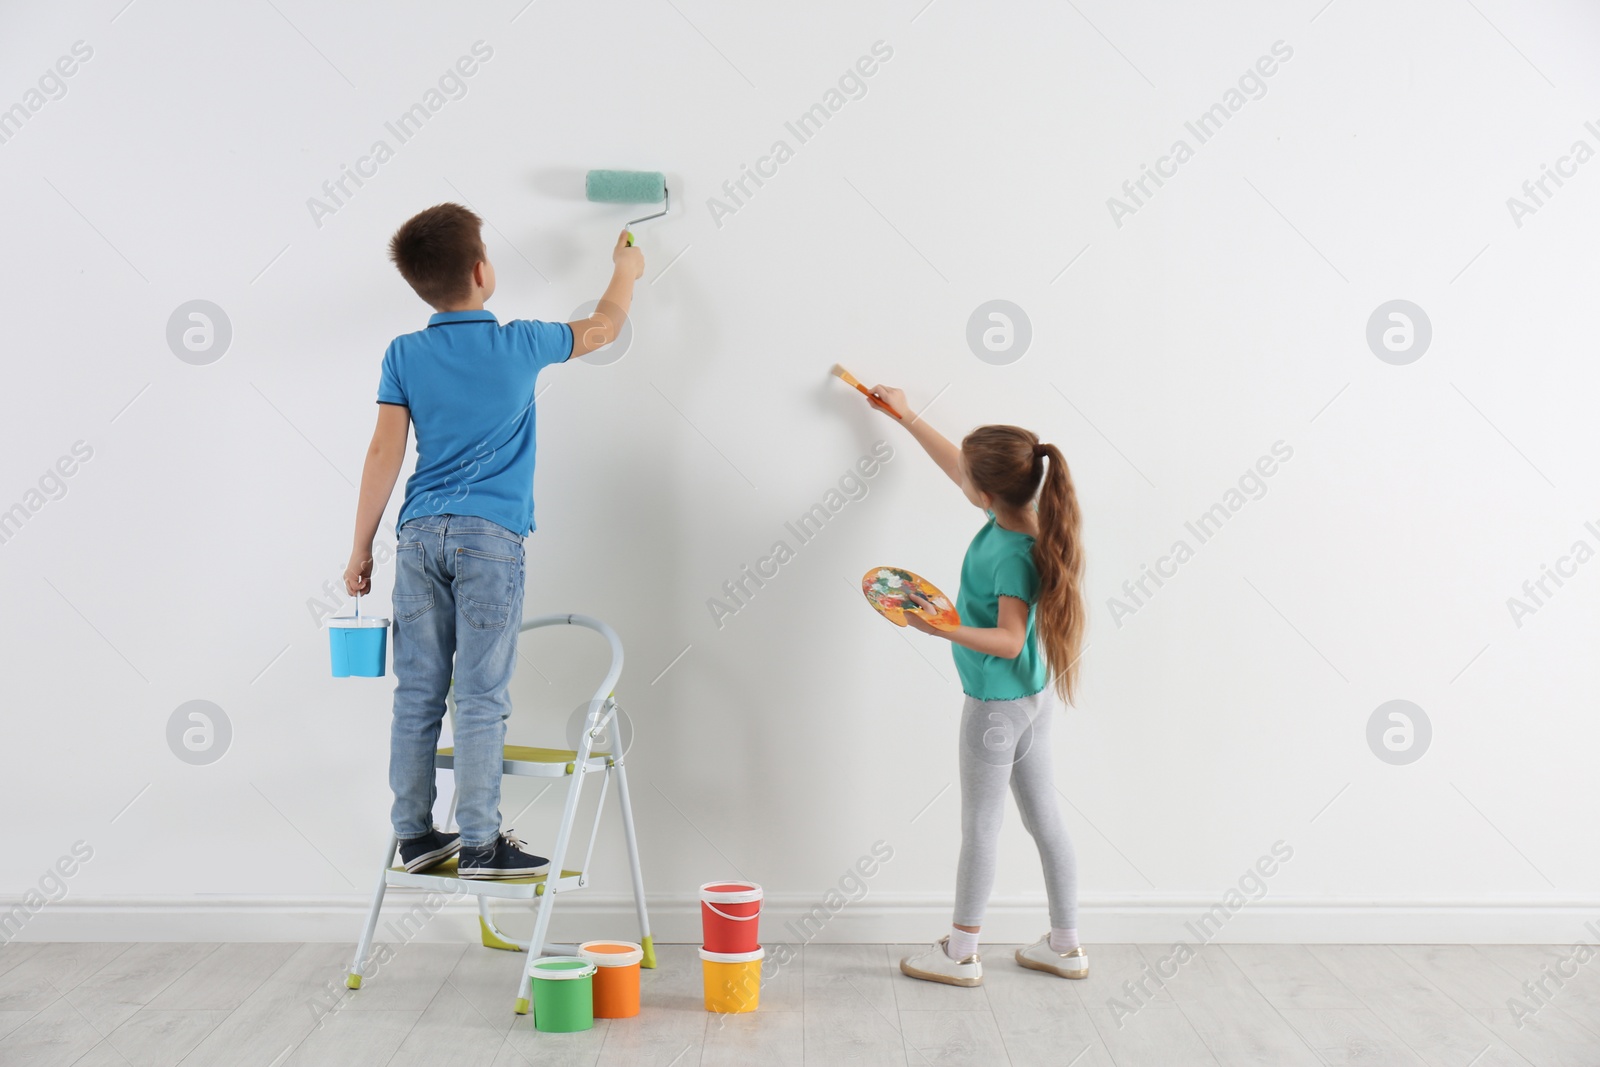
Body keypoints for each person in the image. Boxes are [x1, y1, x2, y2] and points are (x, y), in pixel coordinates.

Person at [343, 203, 642, 878]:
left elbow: (382, 453)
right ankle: (480, 842)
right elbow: (600, 330)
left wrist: (360, 549)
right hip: (489, 542)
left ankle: (415, 836)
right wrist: (625, 270)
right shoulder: (521, 342)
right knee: (479, 695)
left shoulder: (404, 353)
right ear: (483, 272)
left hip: (418, 538)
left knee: (417, 694)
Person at [869, 384, 1090, 985]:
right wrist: (908, 416)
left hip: (996, 708)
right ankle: (1065, 945)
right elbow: (959, 471)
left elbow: (1010, 639)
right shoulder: (1025, 518)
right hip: (1032, 700)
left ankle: (960, 951)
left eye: (968, 478)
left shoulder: (1008, 553)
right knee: (1045, 820)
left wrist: (940, 628)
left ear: (986, 492)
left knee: (981, 828)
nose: (960, 481)